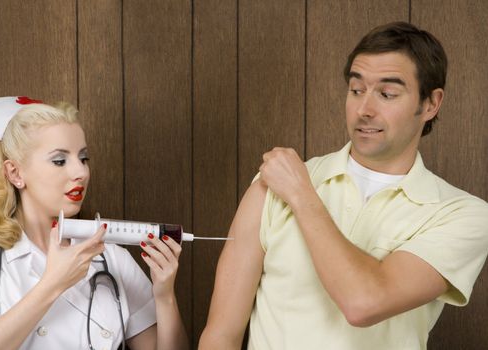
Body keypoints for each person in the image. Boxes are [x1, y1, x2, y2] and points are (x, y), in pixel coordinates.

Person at [199, 22, 488, 350]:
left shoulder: (463, 215)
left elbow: (364, 303)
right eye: (356, 90)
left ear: (431, 104)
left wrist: (301, 194)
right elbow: (221, 334)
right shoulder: (270, 188)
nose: (365, 109)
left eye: (387, 94)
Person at [0, 96, 188, 350]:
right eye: (59, 161)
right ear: (15, 173)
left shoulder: (113, 260)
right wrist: (53, 284)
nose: (80, 172)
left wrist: (165, 296)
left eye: (83, 158)